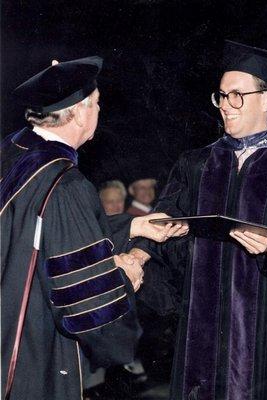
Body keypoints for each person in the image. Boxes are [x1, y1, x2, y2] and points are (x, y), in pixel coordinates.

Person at [130, 41, 267, 400]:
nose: (226, 107)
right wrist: (159, 244)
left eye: (237, 96)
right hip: (202, 331)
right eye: (221, 96)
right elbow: (160, 226)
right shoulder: (196, 164)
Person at [0, 56, 188, 400]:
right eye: (97, 103)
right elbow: (85, 300)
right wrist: (123, 281)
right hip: (32, 348)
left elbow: (47, 234)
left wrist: (133, 225)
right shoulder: (63, 184)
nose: (99, 112)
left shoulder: (14, 153)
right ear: (81, 110)